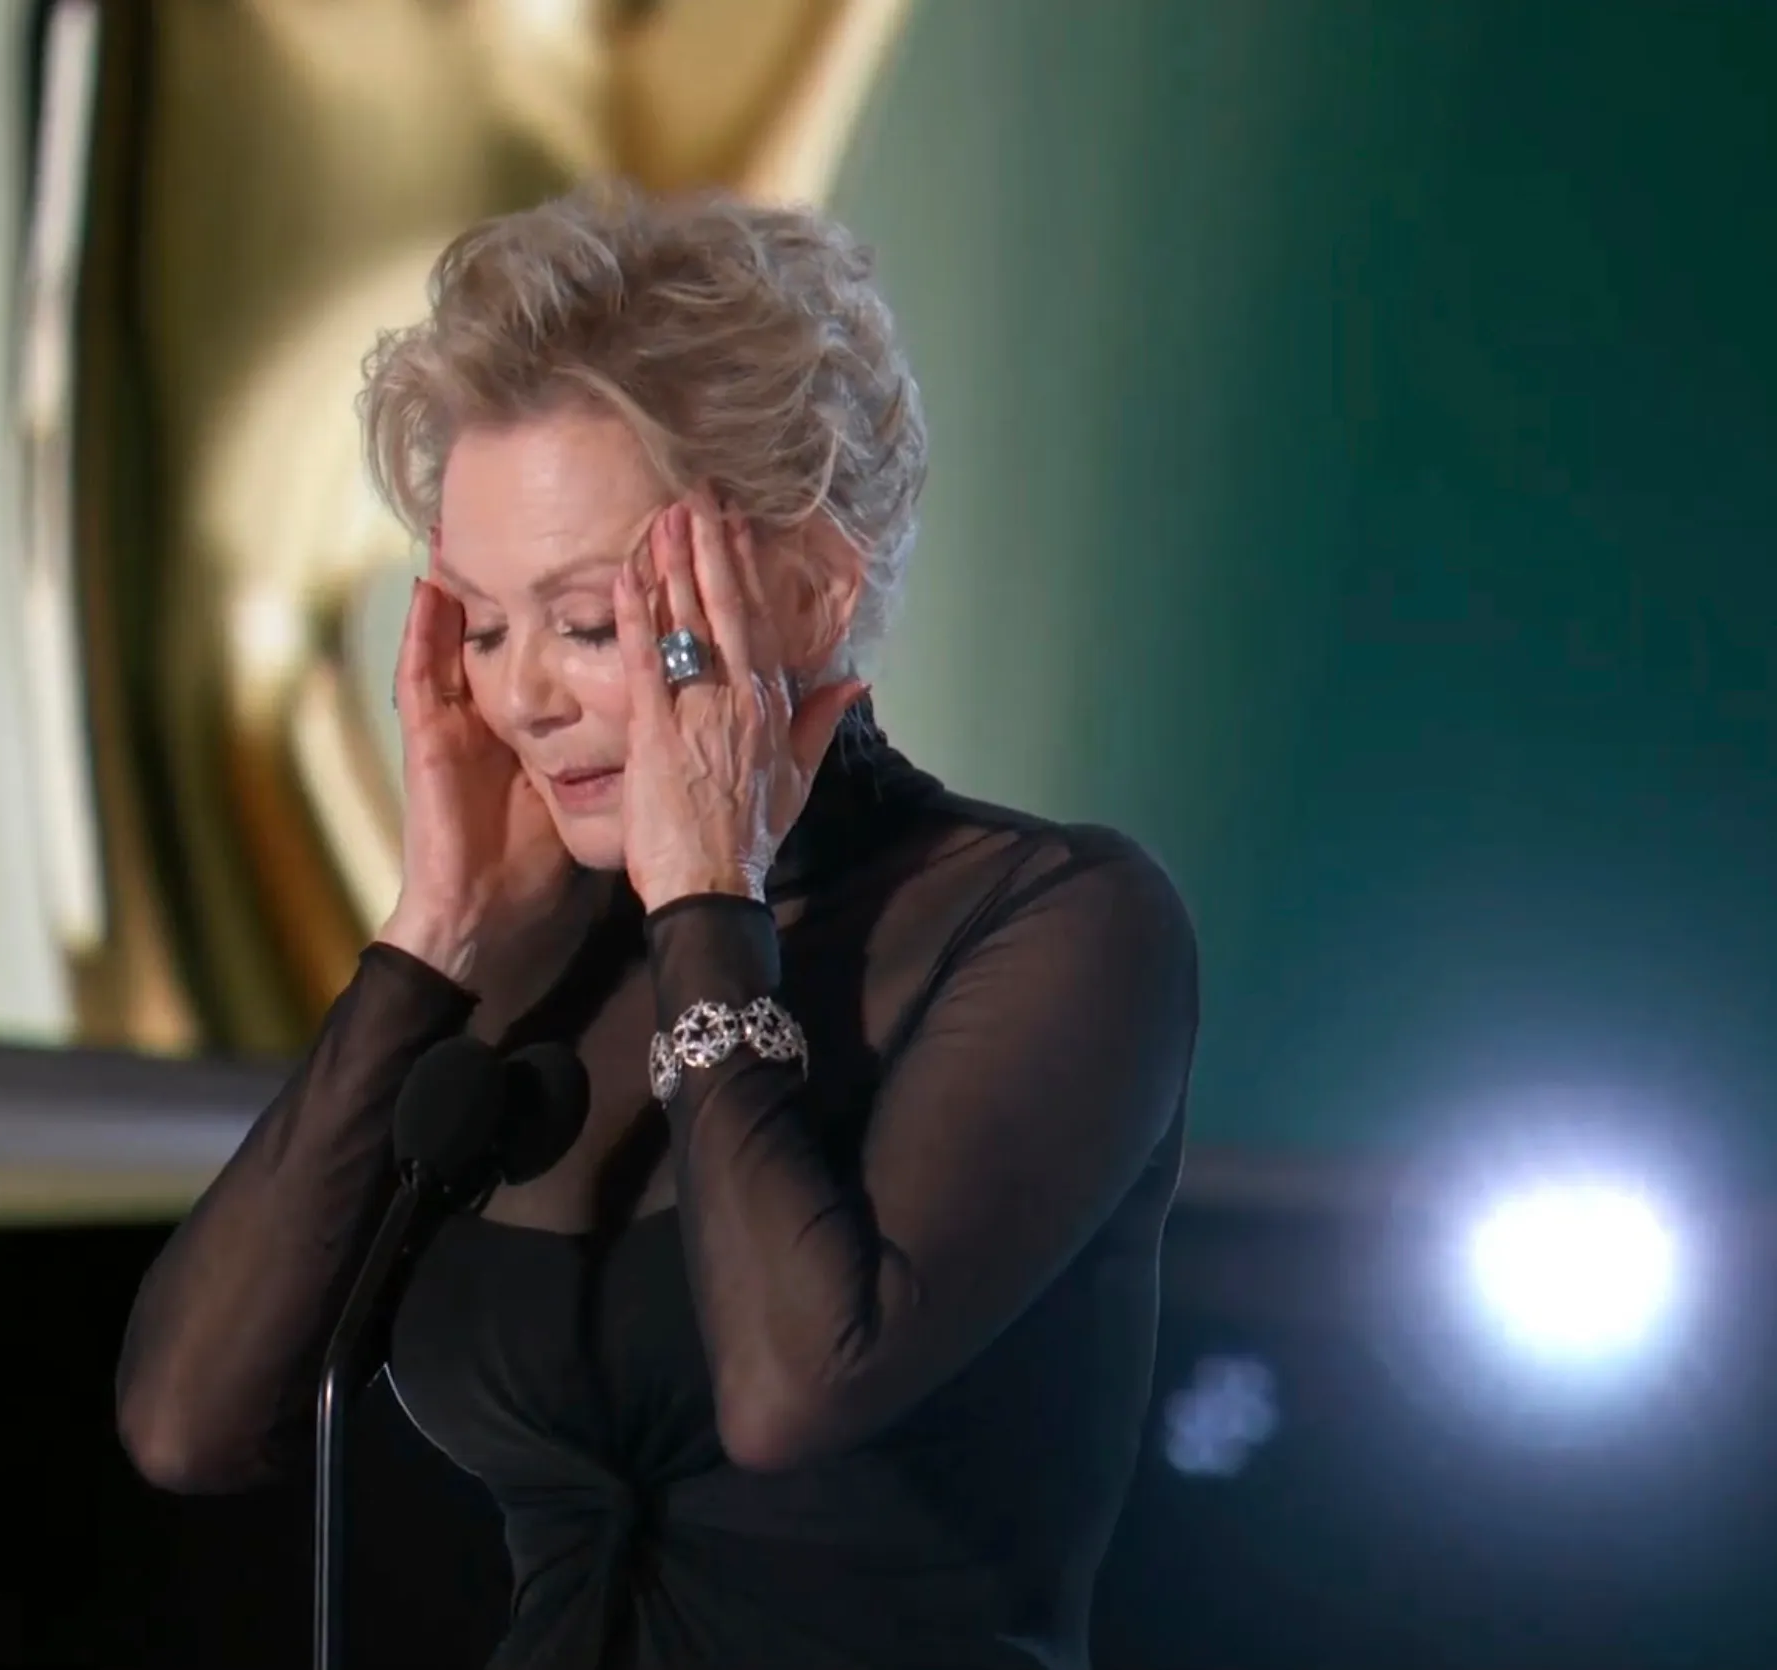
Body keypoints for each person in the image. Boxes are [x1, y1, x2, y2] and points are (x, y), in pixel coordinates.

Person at [114, 181, 1200, 1670]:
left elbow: (795, 1385)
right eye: (484, 627)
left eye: (586, 622)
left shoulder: (1053, 922)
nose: (522, 696)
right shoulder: (528, 965)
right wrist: (436, 932)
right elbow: (190, 1420)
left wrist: (704, 901)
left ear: (807, 591)